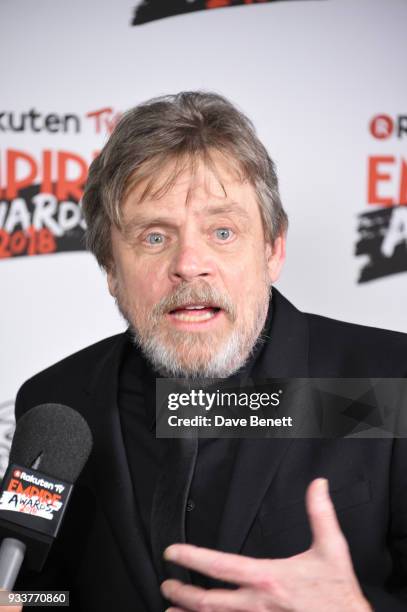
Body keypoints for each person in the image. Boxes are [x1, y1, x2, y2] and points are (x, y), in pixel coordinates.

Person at [14, 92, 407, 611]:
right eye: (154, 237)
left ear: (273, 250)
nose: (189, 263)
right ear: (110, 268)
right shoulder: (56, 406)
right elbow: (46, 594)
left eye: (223, 232)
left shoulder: (390, 381)